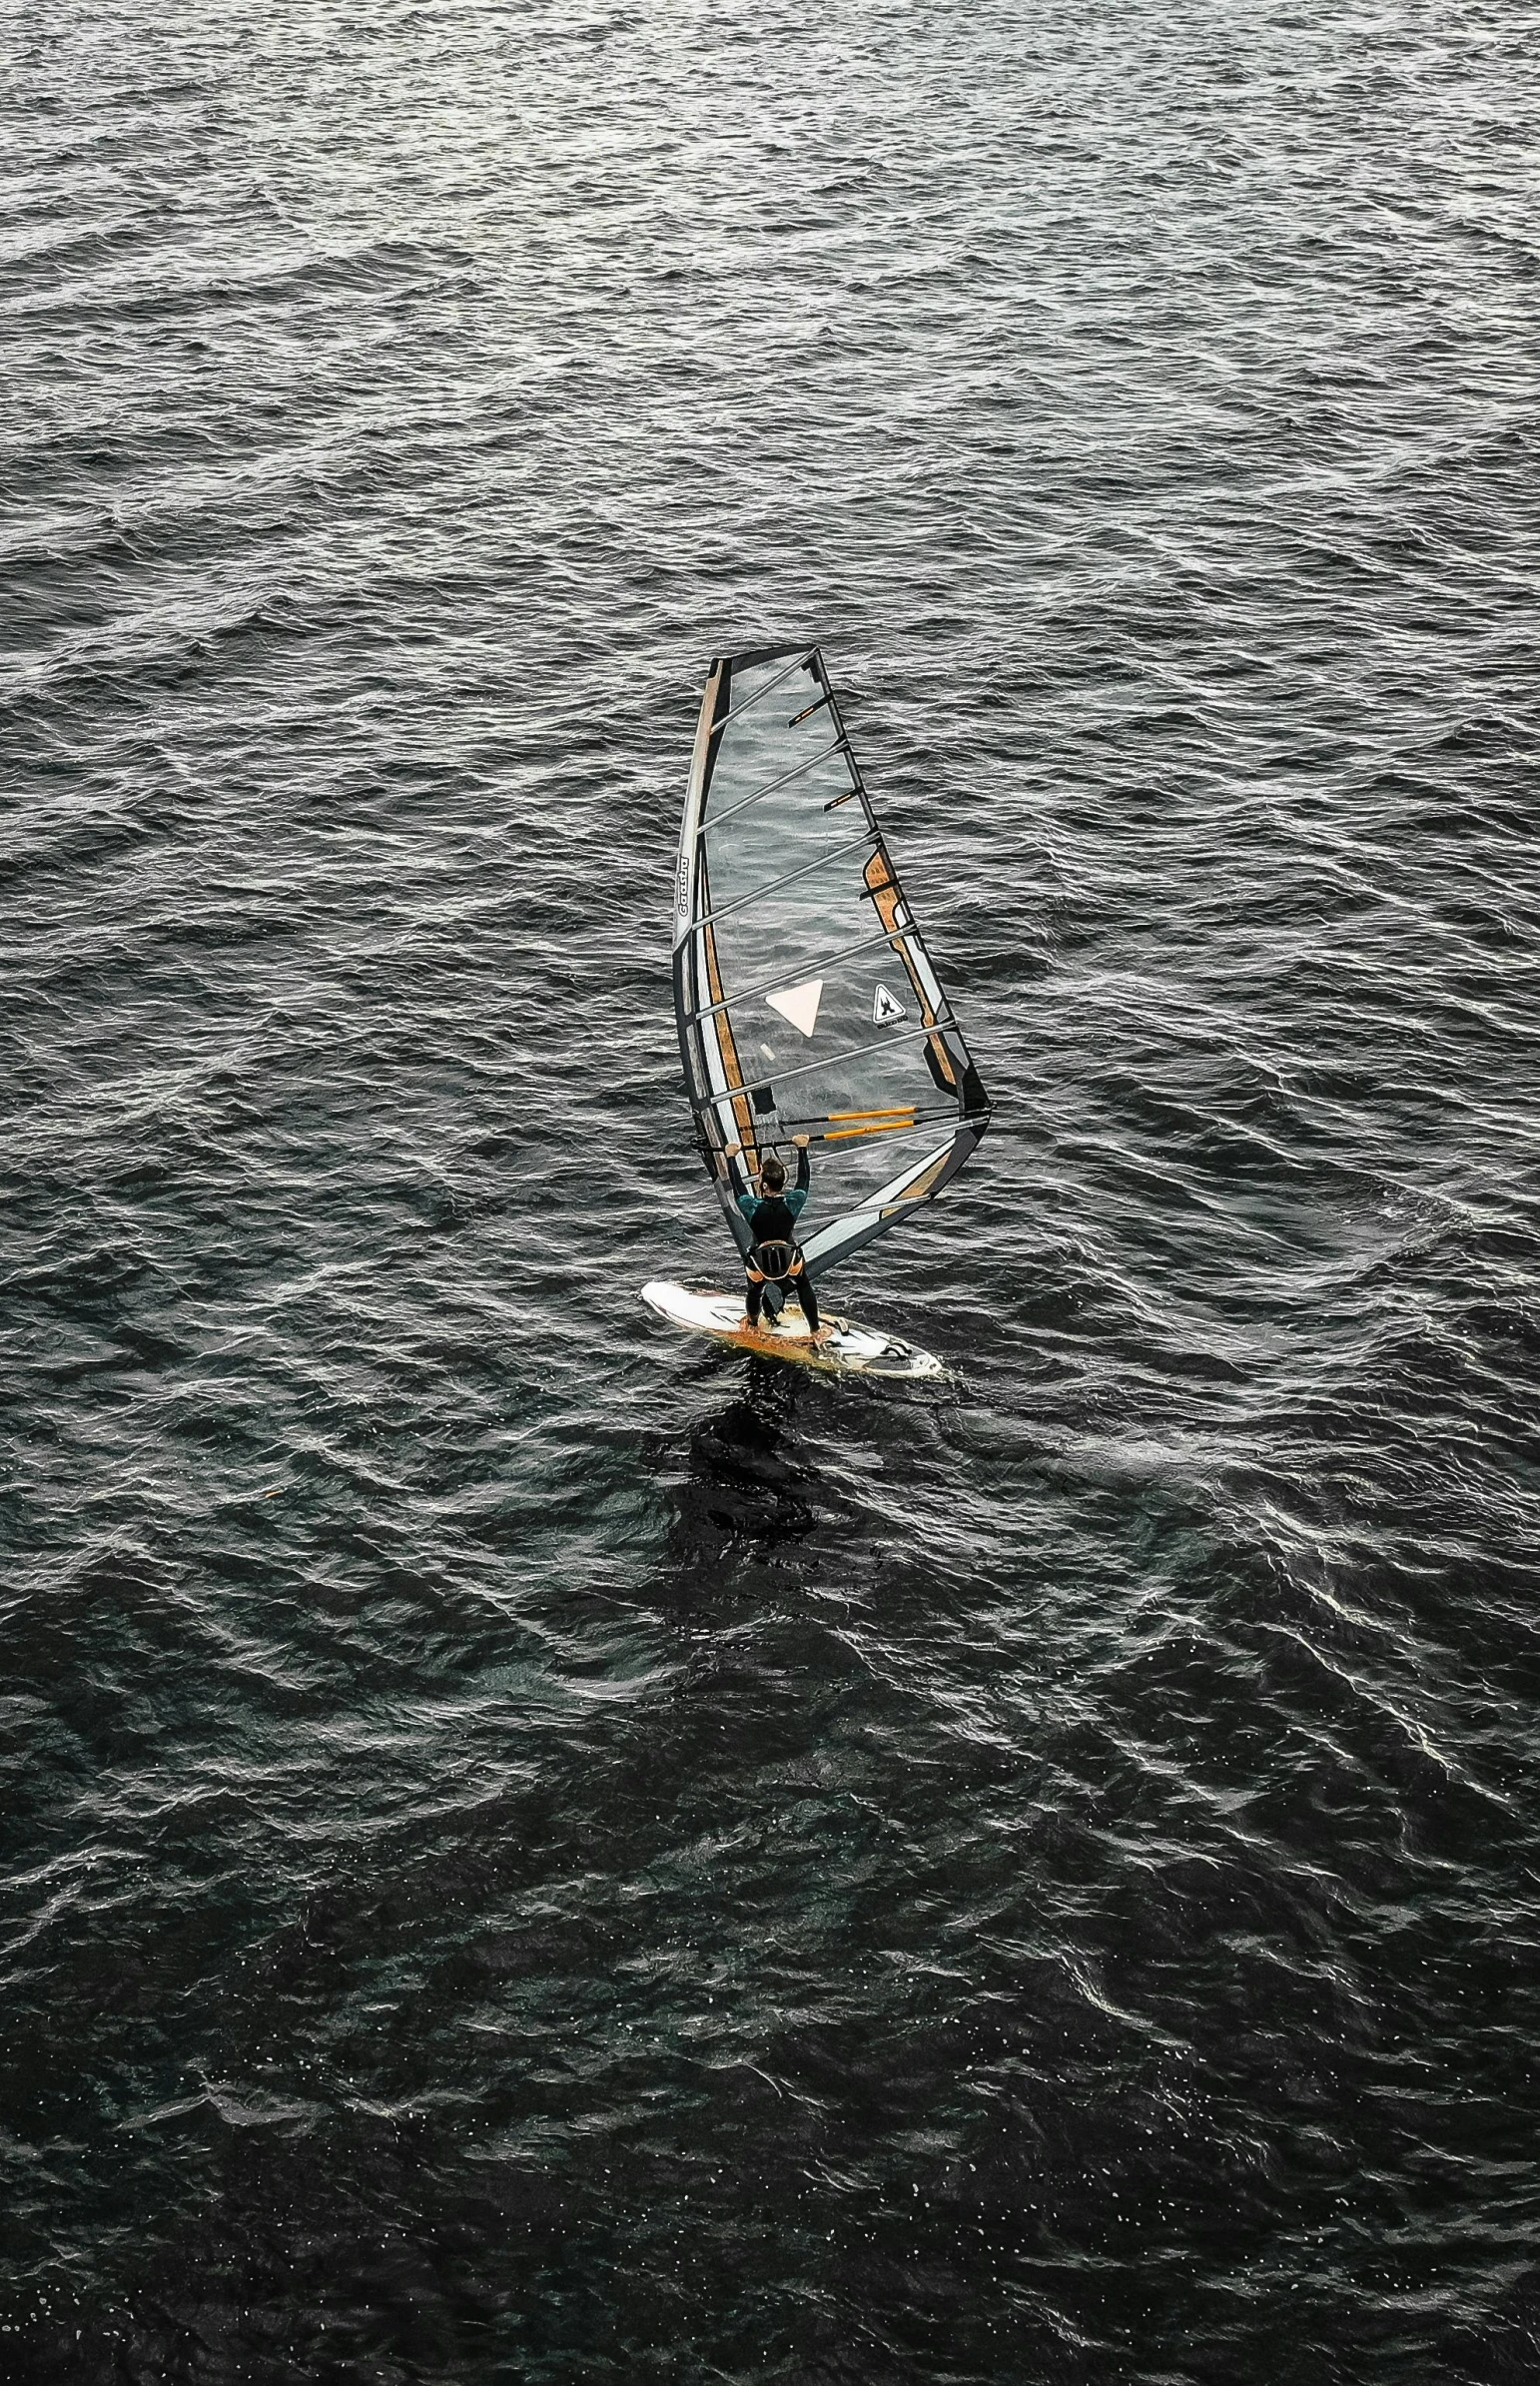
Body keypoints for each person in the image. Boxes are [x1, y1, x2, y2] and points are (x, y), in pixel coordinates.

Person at [723, 1134, 825, 1339]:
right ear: (781, 1183)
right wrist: (802, 1148)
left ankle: (752, 1323)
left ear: (764, 1185)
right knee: (803, 1284)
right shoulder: (793, 1202)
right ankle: (815, 1330)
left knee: (754, 1290)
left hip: (759, 1266)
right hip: (790, 1263)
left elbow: (738, 1186)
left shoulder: (750, 1206)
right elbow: (804, 1180)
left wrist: (731, 1157)